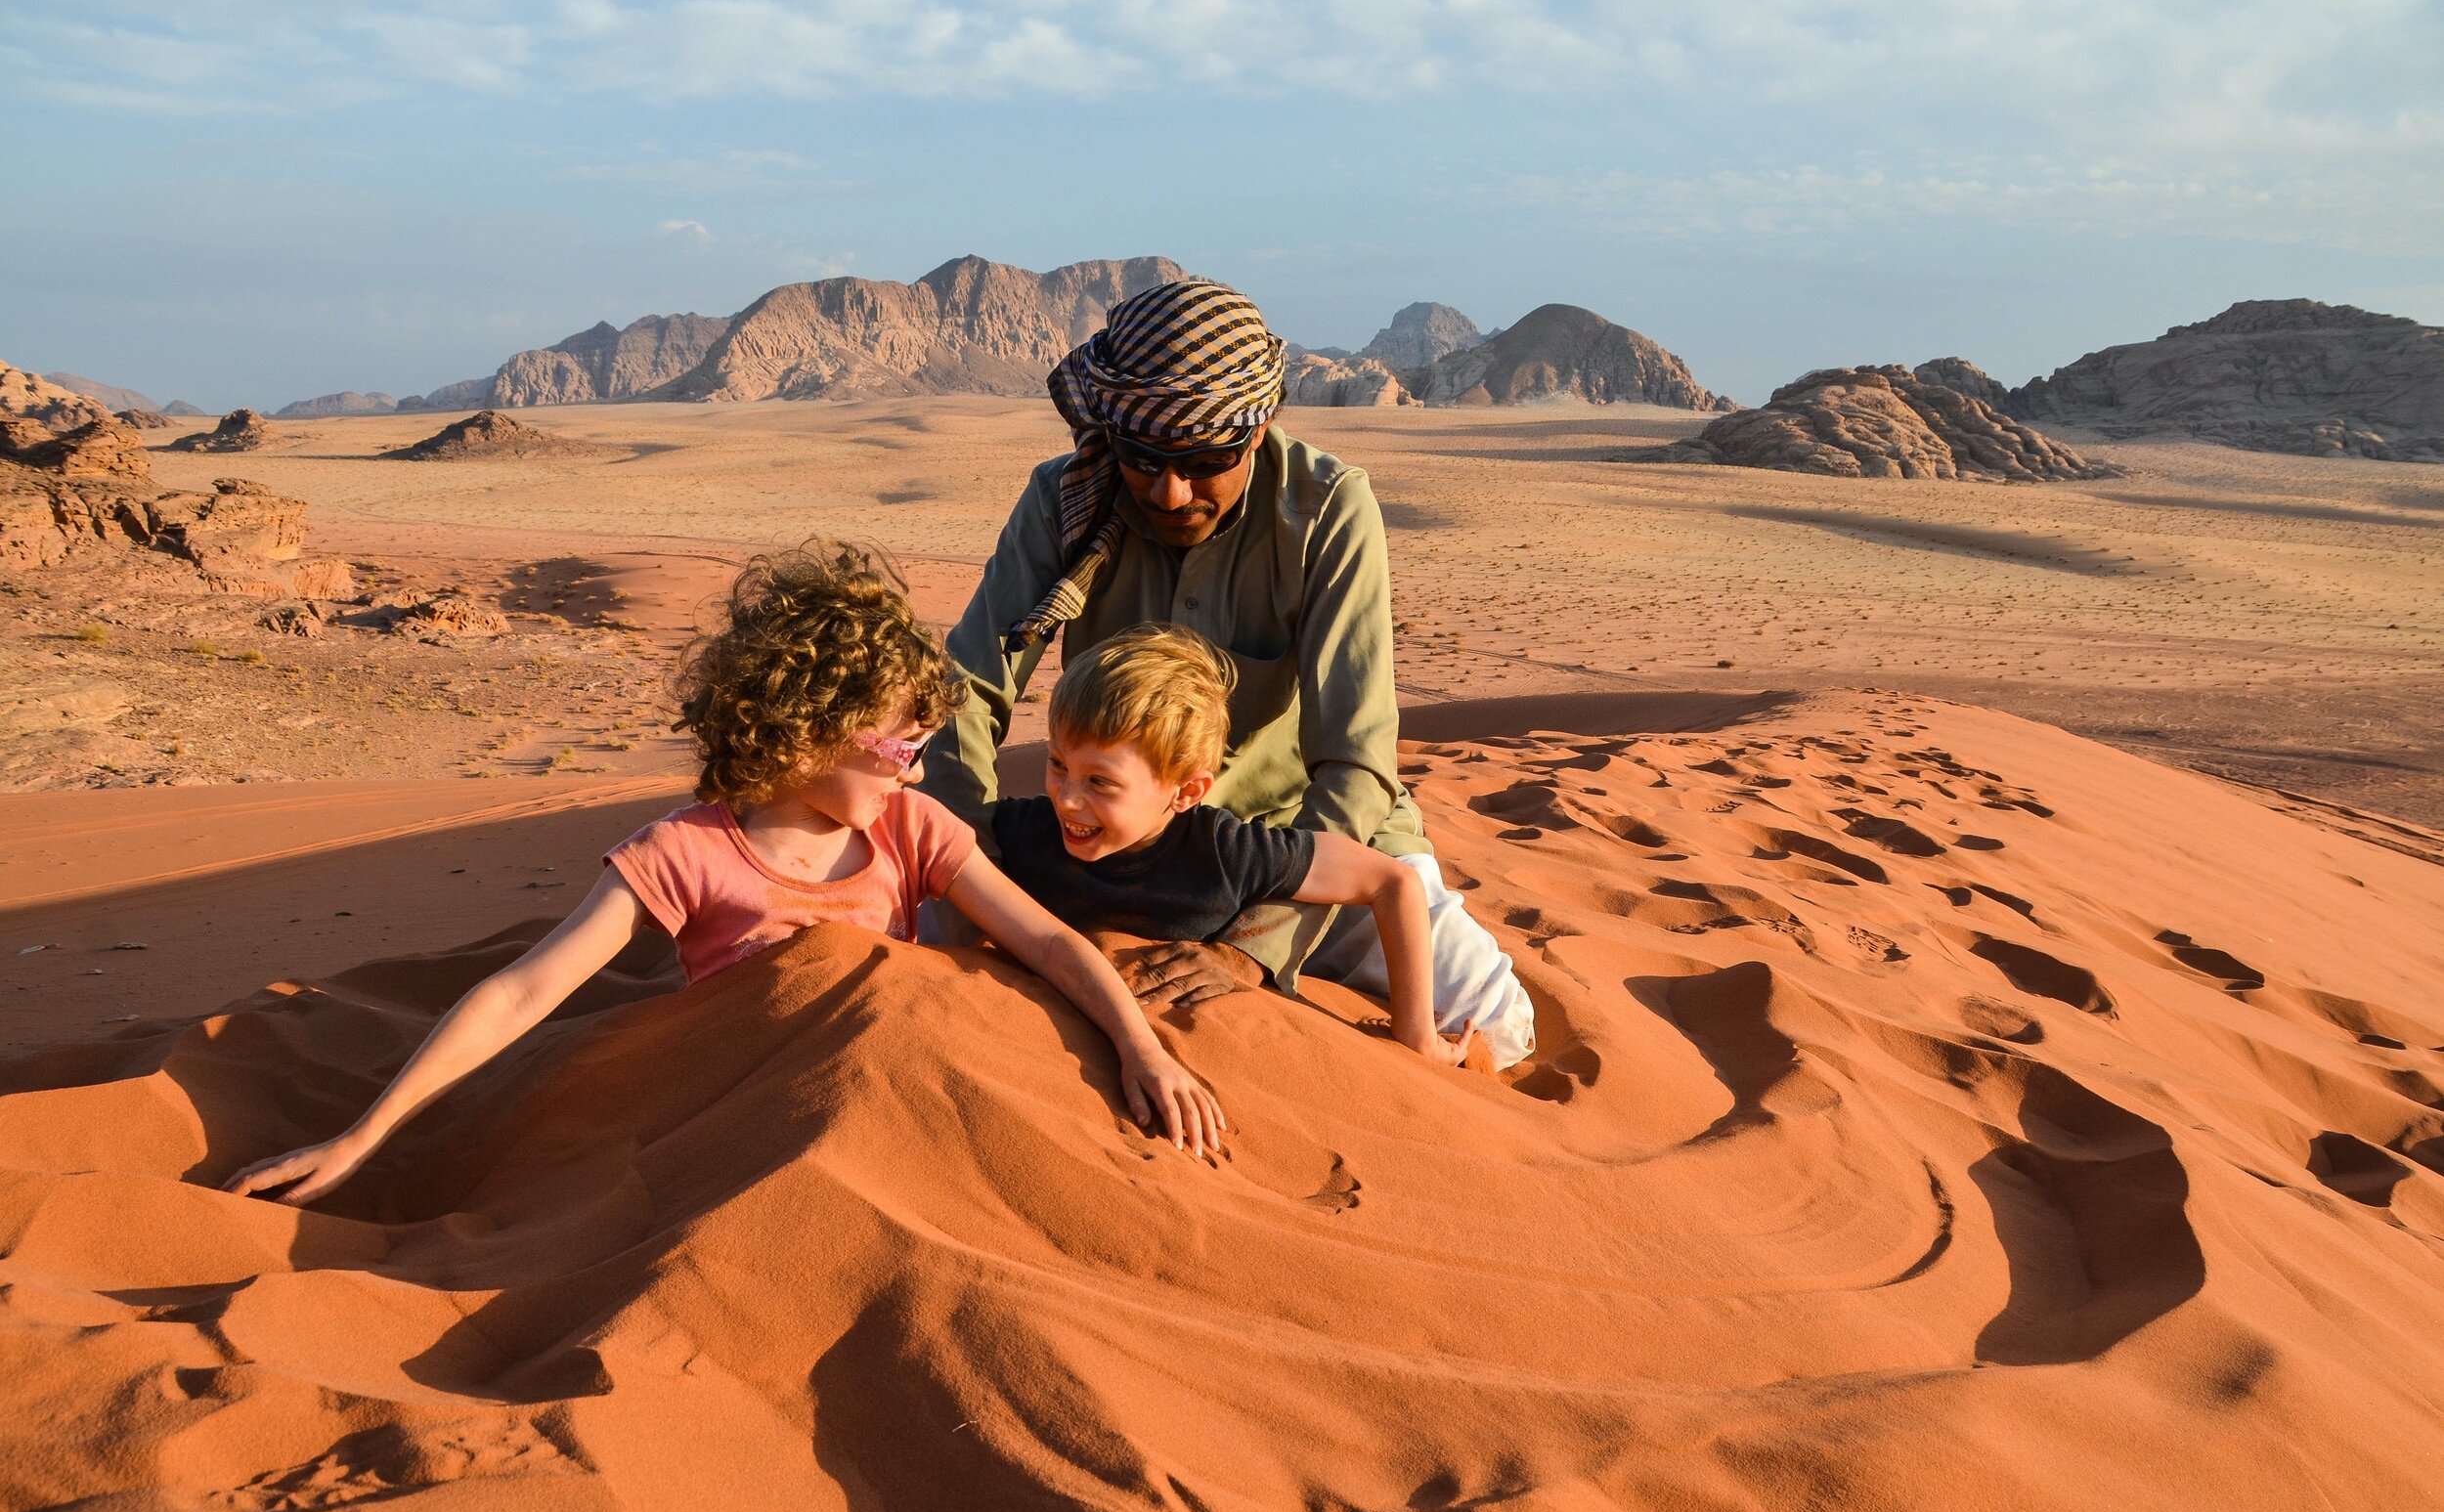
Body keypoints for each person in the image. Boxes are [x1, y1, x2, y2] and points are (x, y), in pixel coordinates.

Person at [223, 543, 1226, 1208]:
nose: (915, 771)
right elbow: (527, 988)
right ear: (806, 732)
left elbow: (1045, 941)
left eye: (923, 750)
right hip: (731, 1155)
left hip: (896, 1134)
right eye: (894, 748)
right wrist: (365, 1137)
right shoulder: (685, 853)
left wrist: (1143, 1052)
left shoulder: (914, 828)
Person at [922, 277, 1537, 1067]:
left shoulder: (1324, 509)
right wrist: (973, 867)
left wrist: (1253, 947)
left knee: (1501, 1026)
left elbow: (1355, 764)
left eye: (1204, 460)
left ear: (1258, 430)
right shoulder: (1065, 498)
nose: (1169, 492)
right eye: (1143, 458)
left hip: (1290, 851)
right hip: (1111, 838)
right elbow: (967, 689)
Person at [993, 623, 1476, 1067]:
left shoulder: (1226, 851)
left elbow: (1392, 880)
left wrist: (1417, 1036)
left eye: (1100, 782)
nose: (1067, 800)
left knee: (1499, 1021)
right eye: (1057, 764)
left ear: (1186, 792)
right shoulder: (1022, 832)